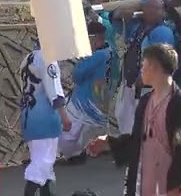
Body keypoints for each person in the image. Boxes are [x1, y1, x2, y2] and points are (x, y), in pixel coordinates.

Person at [121, 43, 181, 196]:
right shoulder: (145, 101)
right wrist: (109, 143)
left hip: (170, 185)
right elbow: (137, 141)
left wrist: (177, 186)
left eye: (143, 65)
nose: (141, 70)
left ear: (154, 67)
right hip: (145, 181)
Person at [112, 0, 177, 137]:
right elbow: (115, 19)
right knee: (125, 120)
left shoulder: (163, 31)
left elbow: (161, 60)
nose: (150, 11)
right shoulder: (137, 26)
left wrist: (144, 78)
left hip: (147, 87)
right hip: (130, 82)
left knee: (146, 123)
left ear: (163, 12)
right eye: (147, 7)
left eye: (155, 8)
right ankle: (130, 150)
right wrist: (130, 10)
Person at [58, 21, 115, 164]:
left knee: (68, 131)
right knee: (89, 130)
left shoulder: (97, 56)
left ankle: (74, 155)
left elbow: (77, 74)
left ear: (94, 37)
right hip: (102, 98)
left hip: (85, 100)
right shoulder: (112, 53)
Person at [19, 41, 69, 196]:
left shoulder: (27, 58)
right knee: (42, 164)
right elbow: (55, 93)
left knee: (44, 165)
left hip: (29, 116)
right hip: (45, 119)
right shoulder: (48, 59)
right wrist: (65, 117)